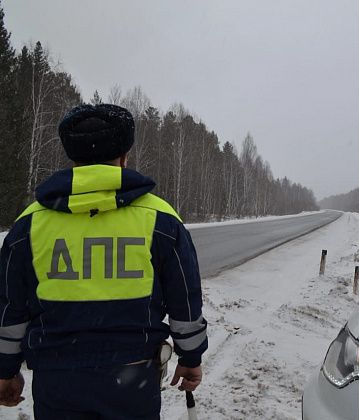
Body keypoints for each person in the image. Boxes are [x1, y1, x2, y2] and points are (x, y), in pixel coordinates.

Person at [0, 104, 207, 419]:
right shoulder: (161, 220)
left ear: (73, 160)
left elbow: (10, 309)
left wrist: (6, 369)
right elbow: (185, 303)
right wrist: (190, 357)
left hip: (58, 383)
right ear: (125, 157)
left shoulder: (28, 225)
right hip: (133, 381)